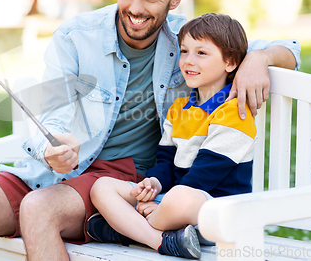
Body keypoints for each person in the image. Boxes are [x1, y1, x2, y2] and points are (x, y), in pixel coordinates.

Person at [0, 0, 301, 261]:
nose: (135, 8)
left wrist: (259, 59)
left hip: (120, 181)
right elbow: (50, 110)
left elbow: (290, 49)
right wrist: (50, 146)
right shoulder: (75, 36)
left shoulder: (187, 44)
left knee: (39, 210)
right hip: (51, 174)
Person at [87, 13, 255, 259]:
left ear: (230, 62)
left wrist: (159, 208)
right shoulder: (178, 110)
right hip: (174, 202)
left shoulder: (234, 114)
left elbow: (203, 176)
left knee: (180, 197)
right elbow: (166, 161)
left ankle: (128, 230)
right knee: (101, 187)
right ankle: (160, 239)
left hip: (216, 213)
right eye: (184, 51)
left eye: (201, 53)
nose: (188, 60)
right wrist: (154, 183)